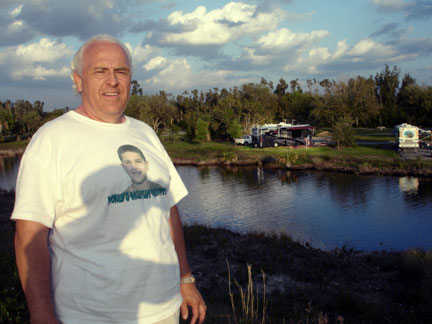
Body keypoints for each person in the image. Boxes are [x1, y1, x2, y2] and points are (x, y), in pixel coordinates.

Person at [12, 34, 206, 324]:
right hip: (90, 315)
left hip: (164, 308)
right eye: (100, 71)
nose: (113, 80)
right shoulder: (51, 140)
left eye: (121, 71)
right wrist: (41, 315)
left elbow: (169, 209)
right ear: (77, 81)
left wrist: (185, 278)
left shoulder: (145, 133)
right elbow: (29, 236)